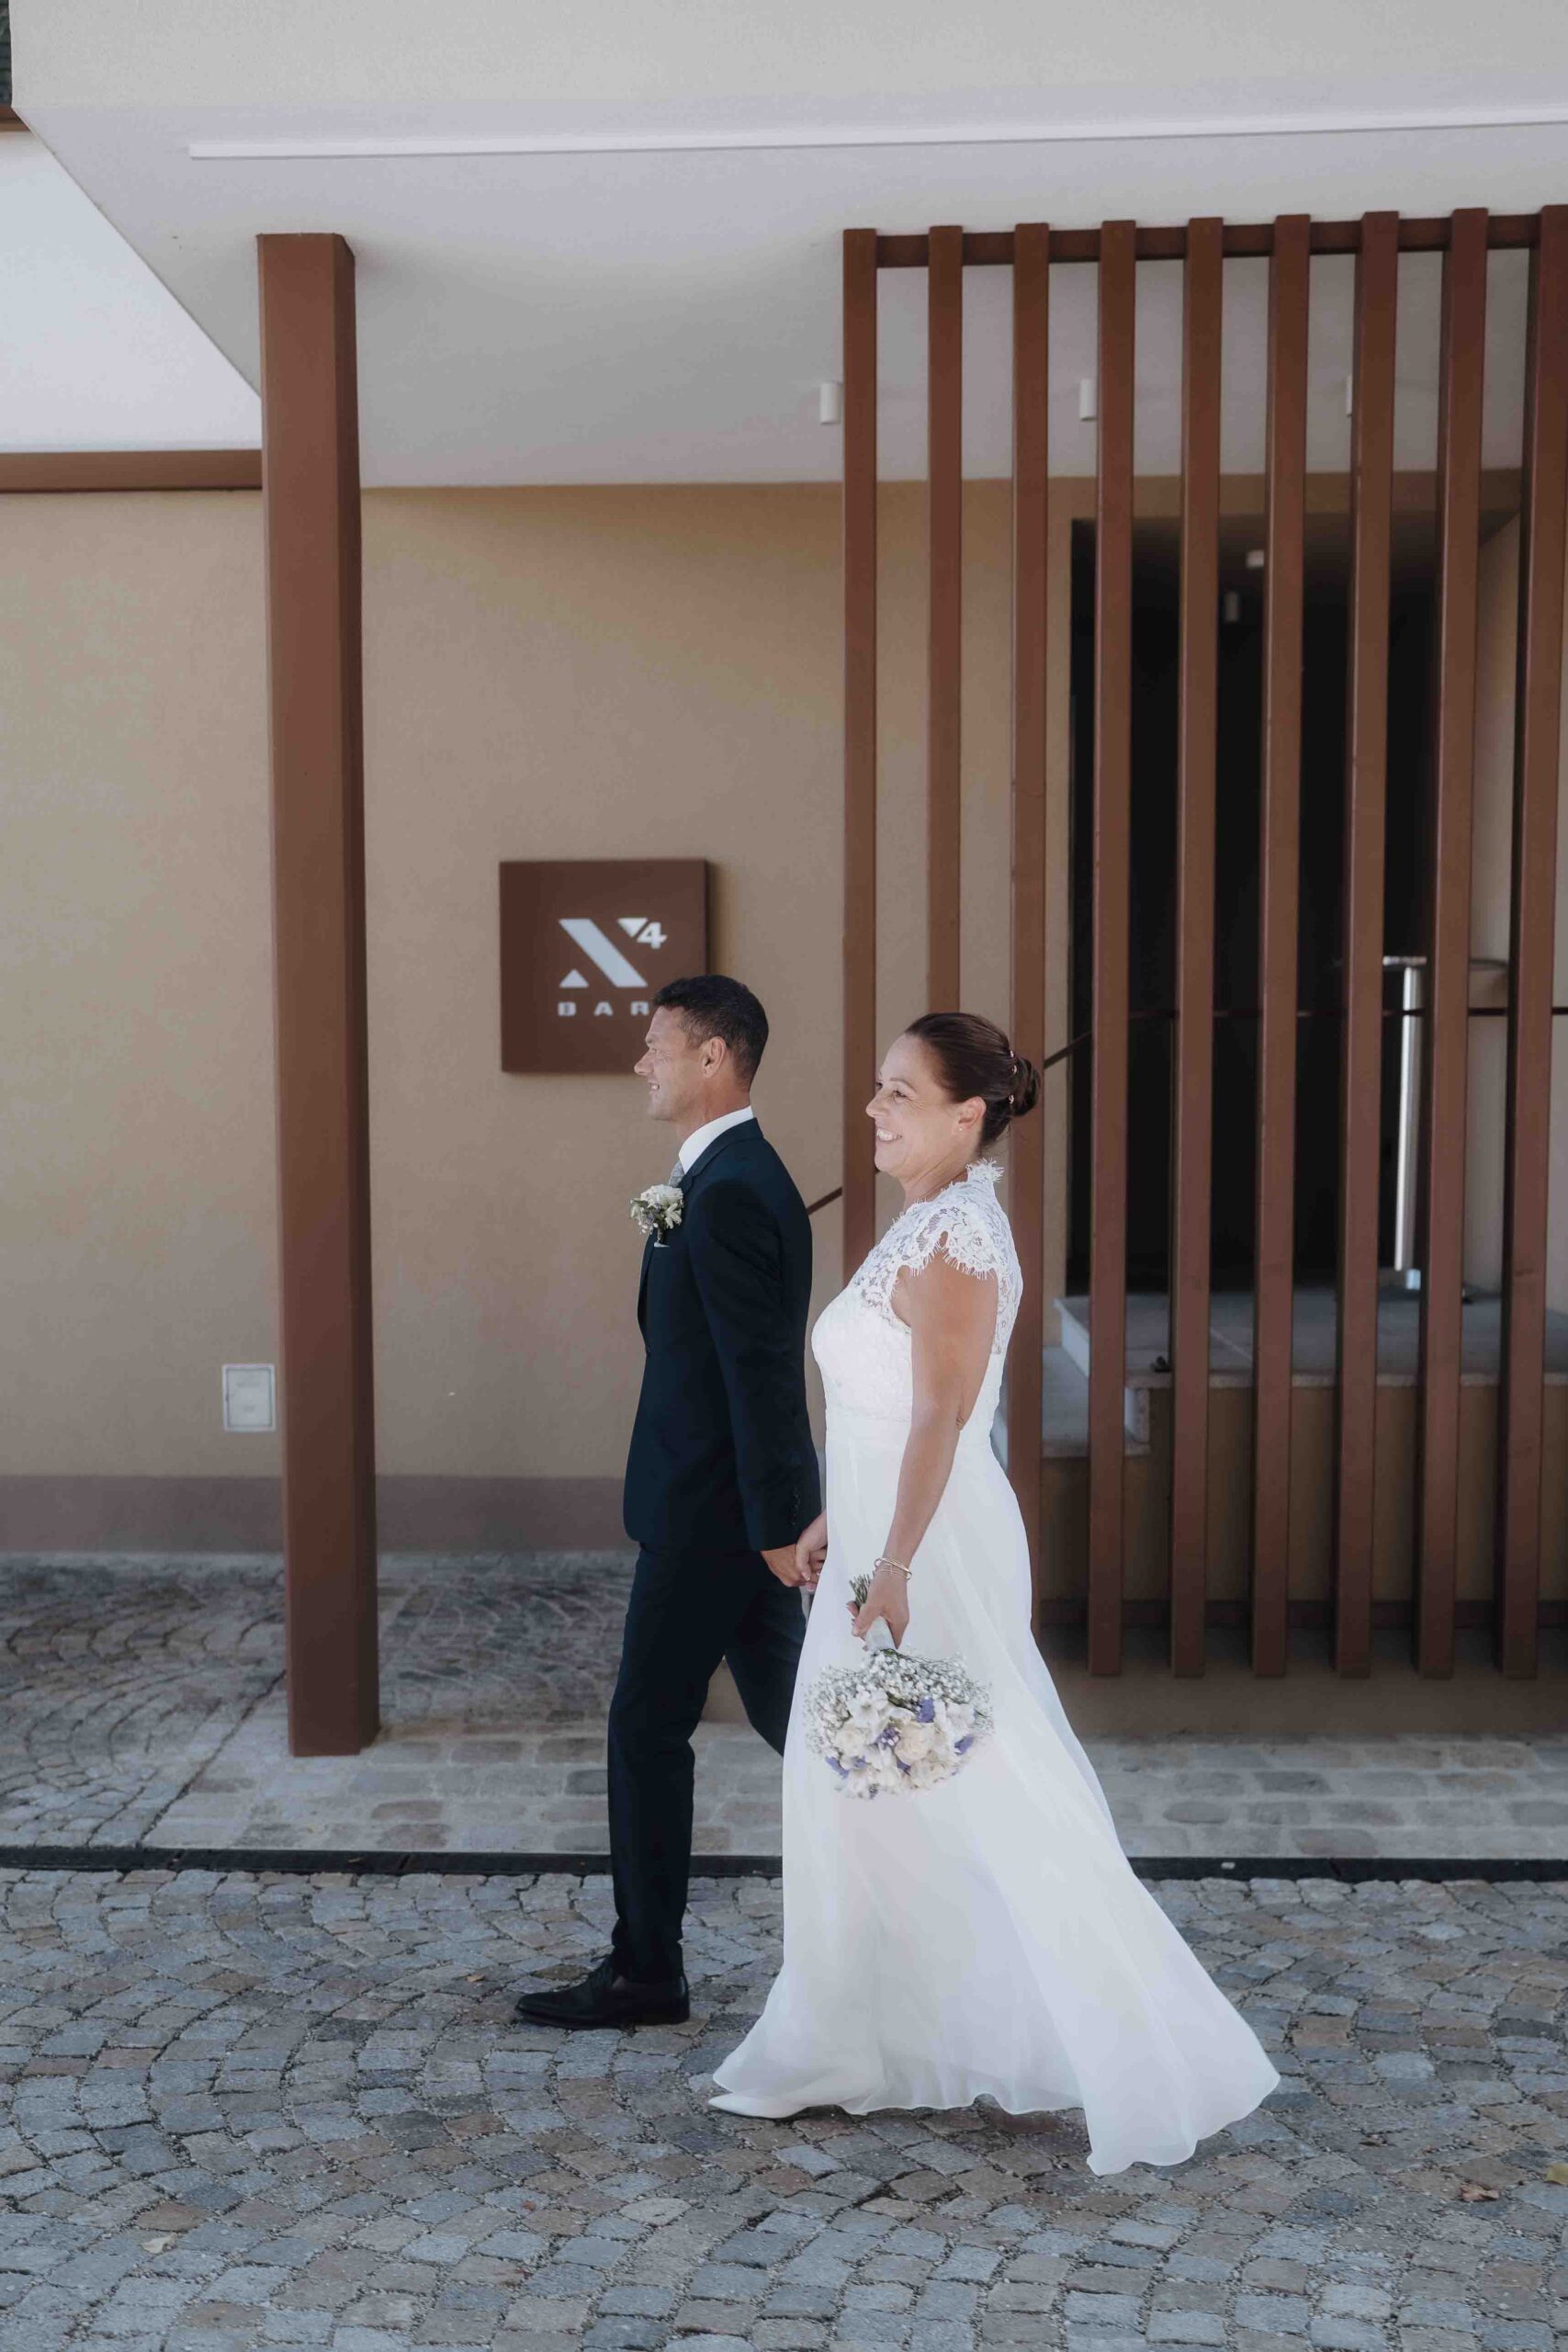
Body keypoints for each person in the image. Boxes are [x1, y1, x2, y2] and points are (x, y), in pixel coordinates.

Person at [708, 1012, 1280, 2175]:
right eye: (878, 1087)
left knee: (986, 1785)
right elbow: (885, 1410)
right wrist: (839, 1519)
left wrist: (893, 1564)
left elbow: (942, 1415)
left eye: (900, 1093)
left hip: (926, 1559)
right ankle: (863, 2038)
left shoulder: (960, 1238)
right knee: (871, 1793)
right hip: (884, 1539)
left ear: (968, 1115)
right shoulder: (931, 1219)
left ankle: (1146, 2051)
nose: (874, 1108)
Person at [514, 975, 820, 2031]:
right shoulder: (723, 1175)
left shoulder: (731, 1189)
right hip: (725, 1514)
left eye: (657, 1043)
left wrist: (776, 1533)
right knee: (809, 1728)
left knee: (647, 1728)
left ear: (713, 1057)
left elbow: (762, 1376)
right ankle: (926, 1871)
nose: (641, 1061)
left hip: (714, 1521)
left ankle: (647, 1971)